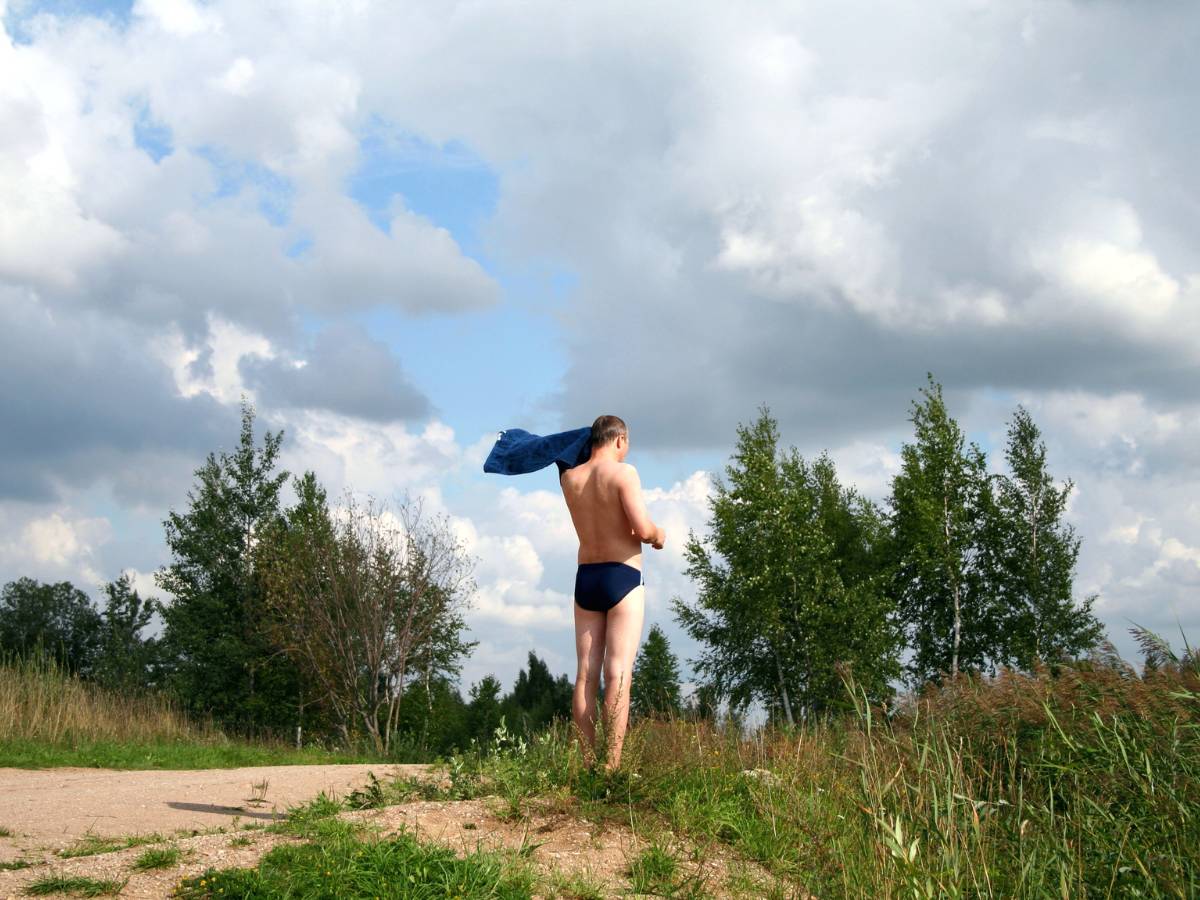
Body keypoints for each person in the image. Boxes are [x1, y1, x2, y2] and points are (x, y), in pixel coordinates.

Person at [558, 414, 665, 770]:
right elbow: (641, 528)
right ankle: (612, 765)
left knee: (586, 674)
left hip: (586, 577)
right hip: (622, 577)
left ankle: (586, 762)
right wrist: (658, 534)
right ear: (618, 439)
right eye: (627, 443)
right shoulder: (624, 473)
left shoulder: (570, 479)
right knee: (618, 671)